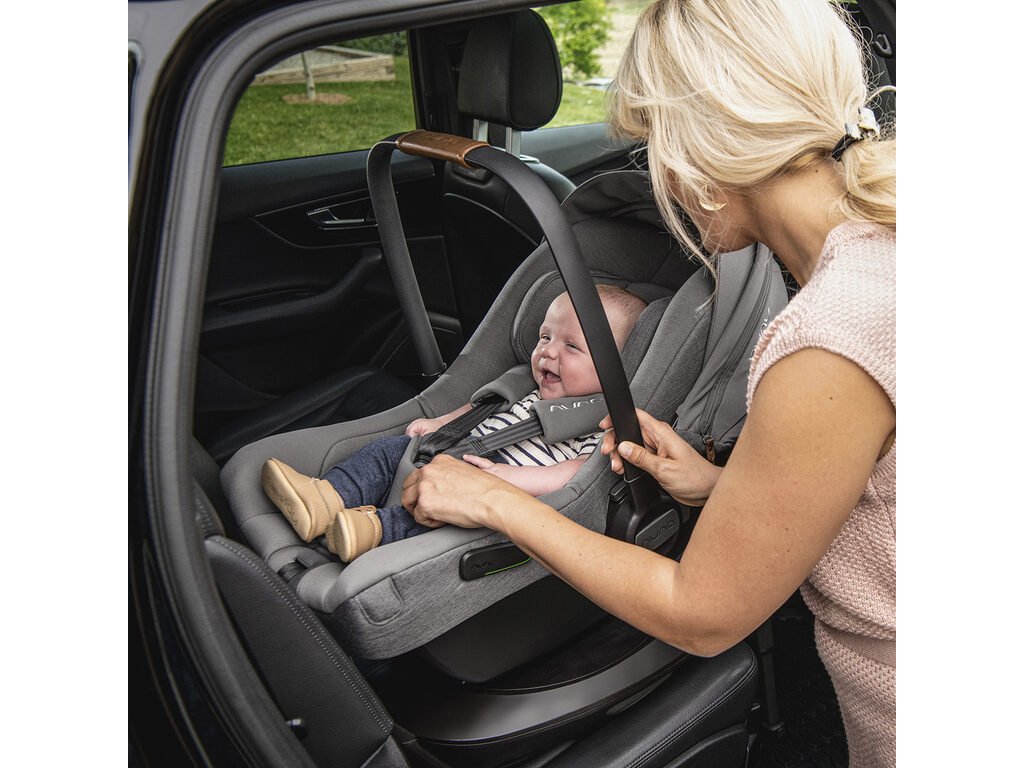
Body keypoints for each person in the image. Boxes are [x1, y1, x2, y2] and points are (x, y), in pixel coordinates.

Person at [399, 2, 896, 767]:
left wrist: (492, 499)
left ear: (702, 147)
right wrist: (722, 485)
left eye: (654, 141)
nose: (657, 171)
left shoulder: (828, 340)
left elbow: (703, 615)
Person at [261, 286, 647, 562]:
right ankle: (326, 498)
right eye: (545, 337)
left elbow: (578, 473)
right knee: (385, 453)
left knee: (434, 521)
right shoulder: (528, 389)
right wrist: (442, 422)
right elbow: (480, 409)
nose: (547, 351)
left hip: (490, 491)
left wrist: (508, 479)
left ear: (617, 368)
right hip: (451, 451)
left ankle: (371, 530)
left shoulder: (599, 424)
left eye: (572, 346)